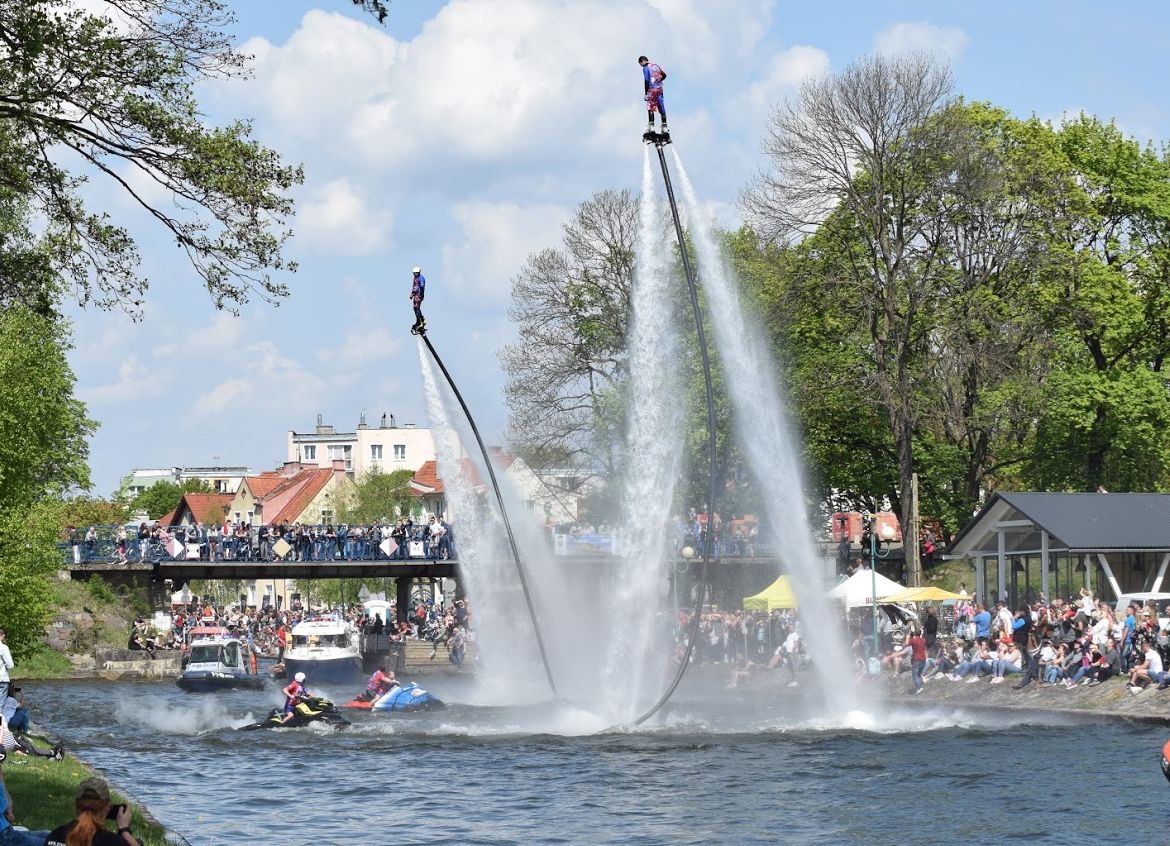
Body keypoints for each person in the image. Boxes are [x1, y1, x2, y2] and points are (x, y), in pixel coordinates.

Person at [43, 777, 139, 846]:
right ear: (108, 807)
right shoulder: (113, 842)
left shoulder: (56, 836)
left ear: (76, 804)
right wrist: (124, 830)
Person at [0, 759, 50, 846]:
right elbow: (4, 802)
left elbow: (5, 803)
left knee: (49, 835)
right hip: (4, 836)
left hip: (6, 830)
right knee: (54, 842)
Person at [638, 55, 667, 135]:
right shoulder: (656, 66)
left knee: (650, 106)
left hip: (652, 89)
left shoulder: (646, 68)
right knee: (661, 107)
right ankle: (664, 127)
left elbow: (646, 80)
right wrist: (658, 80)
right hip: (660, 90)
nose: (641, 66)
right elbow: (664, 75)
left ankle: (651, 127)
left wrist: (646, 93)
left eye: (640, 64)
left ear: (642, 62)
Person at [906, 627, 927, 694]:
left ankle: (919, 688)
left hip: (917, 659)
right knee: (919, 674)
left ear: (915, 633)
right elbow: (924, 649)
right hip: (923, 659)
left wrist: (908, 637)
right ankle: (920, 687)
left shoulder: (914, 640)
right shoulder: (923, 640)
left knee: (915, 675)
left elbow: (906, 643)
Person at [409, 266, 426, 333]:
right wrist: (412, 294)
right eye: (414, 273)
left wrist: (420, 293)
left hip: (419, 295)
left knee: (416, 307)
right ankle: (419, 320)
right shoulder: (415, 278)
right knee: (415, 308)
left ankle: (420, 321)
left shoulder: (421, 278)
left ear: (419, 272)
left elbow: (421, 285)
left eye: (416, 273)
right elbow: (415, 287)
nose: (415, 274)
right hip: (416, 295)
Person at [0, 631, 10, 704]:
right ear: (2, 635)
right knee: (0, 704)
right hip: (2, 679)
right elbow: (10, 664)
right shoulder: (3, 648)